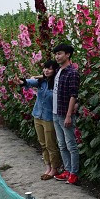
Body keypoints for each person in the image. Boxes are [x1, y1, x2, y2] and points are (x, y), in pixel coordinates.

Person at [21, 60, 64, 180]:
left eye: (49, 68)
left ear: (55, 70)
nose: (46, 70)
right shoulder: (41, 82)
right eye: (45, 68)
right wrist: (22, 81)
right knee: (42, 144)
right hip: (37, 116)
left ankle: (55, 168)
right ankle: (48, 166)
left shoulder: (57, 83)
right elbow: (30, 81)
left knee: (50, 144)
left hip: (49, 118)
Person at [52, 43, 80, 185]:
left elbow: (73, 95)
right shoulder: (58, 71)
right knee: (62, 145)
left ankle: (74, 173)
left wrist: (69, 115)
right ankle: (67, 170)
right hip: (55, 113)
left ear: (68, 54)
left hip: (64, 114)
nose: (57, 56)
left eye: (60, 53)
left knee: (71, 145)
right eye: (56, 54)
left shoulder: (72, 72)